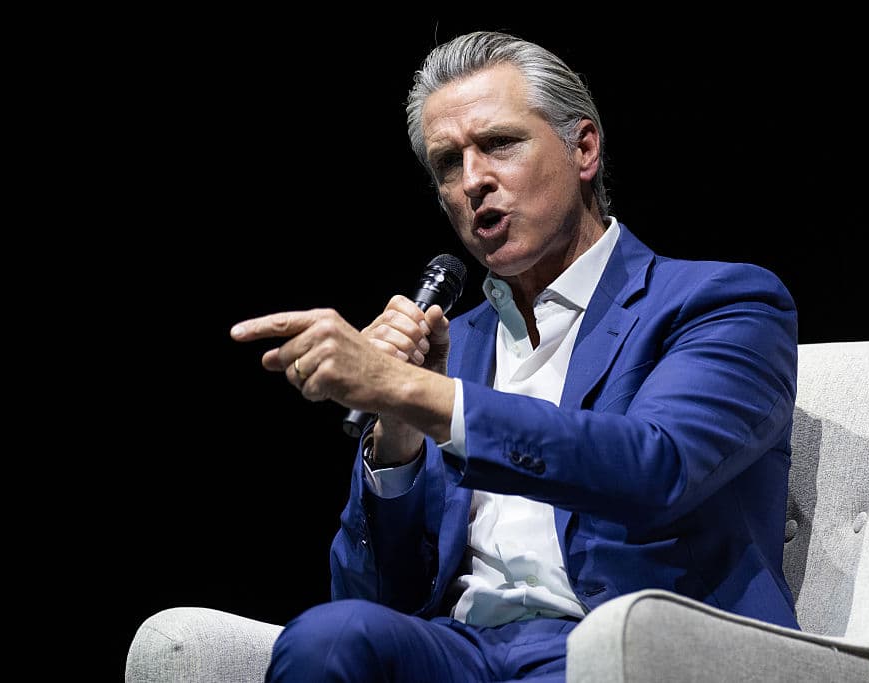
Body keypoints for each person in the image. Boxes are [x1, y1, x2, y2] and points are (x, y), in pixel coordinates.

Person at [230, 30, 800, 682]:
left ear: (584, 149)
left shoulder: (719, 302)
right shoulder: (453, 344)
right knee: (327, 640)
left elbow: (655, 467)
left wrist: (414, 392)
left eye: (499, 143)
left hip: (625, 648)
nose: (473, 180)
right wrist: (399, 436)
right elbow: (372, 596)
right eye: (448, 164)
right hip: (466, 652)